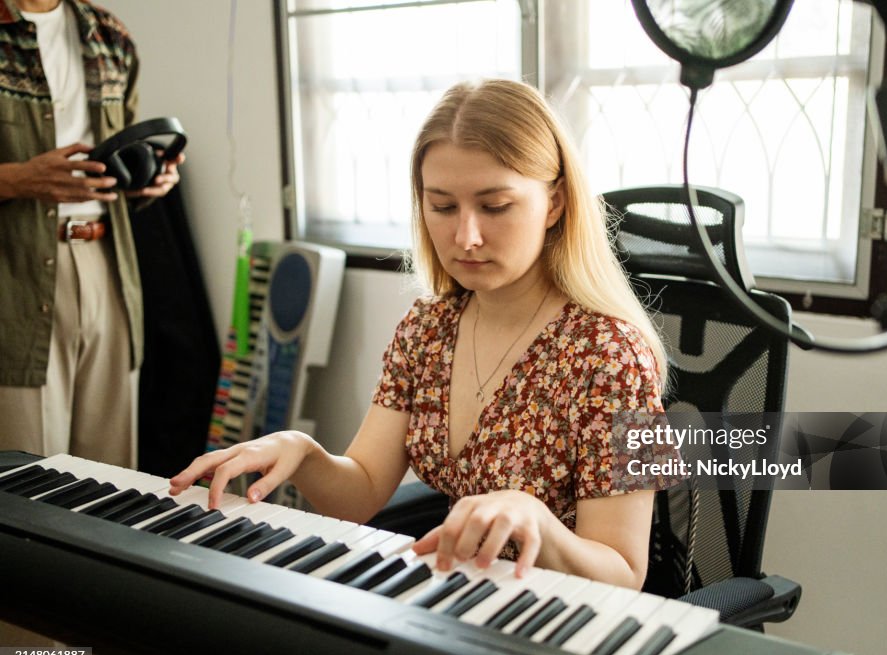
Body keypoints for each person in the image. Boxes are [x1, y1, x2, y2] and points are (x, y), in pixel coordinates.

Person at [171, 79, 668, 587]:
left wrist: (538, 520)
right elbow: (361, 490)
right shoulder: (428, 328)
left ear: (556, 203)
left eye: (495, 206)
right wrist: (303, 451)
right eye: (443, 206)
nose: (466, 237)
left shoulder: (614, 354)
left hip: (559, 623)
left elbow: (624, 573)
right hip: (461, 598)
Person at [0, 0, 183, 470]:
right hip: (14, 278)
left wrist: (149, 179)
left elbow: (119, 162)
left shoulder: (110, 36)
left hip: (109, 265)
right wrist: (19, 178)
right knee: (27, 480)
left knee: (109, 473)